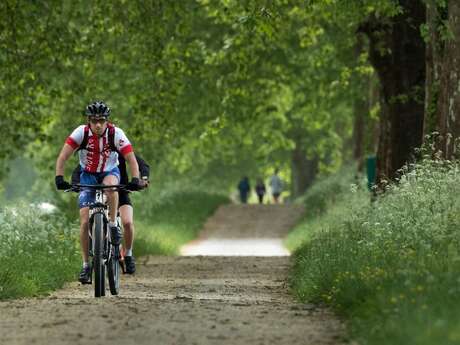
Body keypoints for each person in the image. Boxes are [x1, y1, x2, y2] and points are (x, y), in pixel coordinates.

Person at [55, 100, 142, 284]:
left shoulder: (116, 134)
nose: (98, 124)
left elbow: (132, 159)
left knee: (111, 187)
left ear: (107, 120)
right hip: (87, 175)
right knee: (85, 221)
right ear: (89, 120)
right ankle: (86, 265)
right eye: (94, 120)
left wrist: (135, 179)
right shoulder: (81, 133)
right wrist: (59, 177)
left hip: (110, 171)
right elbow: (63, 156)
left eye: (101, 120)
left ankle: (111, 224)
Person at [71, 153, 150, 274]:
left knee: (127, 222)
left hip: (121, 191)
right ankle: (98, 244)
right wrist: (75, 183)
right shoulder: (95, 153)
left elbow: (142, 164)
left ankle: (128, 255)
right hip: (102, 193)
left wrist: (143, 179)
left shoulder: (121, 150)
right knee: (92, 214)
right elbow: (79, 169)